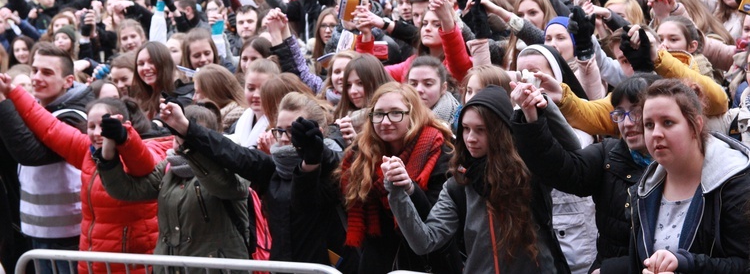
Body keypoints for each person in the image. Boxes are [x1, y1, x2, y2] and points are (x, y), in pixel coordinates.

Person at [383, 84, 569, 273]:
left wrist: (543, 105)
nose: (470, 138)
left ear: (500, 132)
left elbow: (573, 149)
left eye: (481, 130)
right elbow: (425, 241)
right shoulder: (458, 185)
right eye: (465, 128)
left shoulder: (529, 171)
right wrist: (396, 190)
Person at [158, 92, 348, 267]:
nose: (284, 138)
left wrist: (314, 157)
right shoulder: (272, 169)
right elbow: (230, 151)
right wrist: (184, 127)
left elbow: (304, 201)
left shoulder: (333, 169)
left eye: (293, 131)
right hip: (282, 267)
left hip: (326, 267)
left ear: (319, 132)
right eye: (279, 130)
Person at [0, 83, 170, 273]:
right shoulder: (86, 151)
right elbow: (49, 126)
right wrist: (12, 91)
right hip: (93, 261)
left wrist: (124, 138)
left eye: (103, 125)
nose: (97, 133)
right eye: (91, 126)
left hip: (132, 264)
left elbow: (144, 163)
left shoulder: (141, 150)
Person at [514, 75, 659, 273]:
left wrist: (611, 270)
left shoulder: (681, 165)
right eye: (619, 113)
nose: (627, 123)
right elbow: (561, 170)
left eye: (635, 112)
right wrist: (531, 118)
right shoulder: (609, 154)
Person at [98, 103, 249, 271]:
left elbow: (222, 186)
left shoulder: (232, 163)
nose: (178, 146)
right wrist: (109, 148)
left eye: (185, 138)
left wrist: (191, 149)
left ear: (210, 138)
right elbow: (126, 190)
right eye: (175, 138)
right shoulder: (169, 168)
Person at [629, 79, 750, 273]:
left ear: (696, 126)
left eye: (668, 122)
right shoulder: (644, 188)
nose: (656, 133)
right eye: (649, 125)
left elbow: (744, 265)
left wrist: (687, 264)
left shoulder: (735, 182)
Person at [340, 82, 457, 274]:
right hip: (377, 261)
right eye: (379, 114)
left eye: (396, 113)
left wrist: (409, 187)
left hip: (425, 263)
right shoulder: (360, 153)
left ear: (413, 115)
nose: (385, 121)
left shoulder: (438, 150)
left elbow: (437, 219)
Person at [0, 43, 94, 274]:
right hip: (38, 231)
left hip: (67, 236)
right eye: (34, 70)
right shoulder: (39, 108)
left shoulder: (75, 116)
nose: (37, 78)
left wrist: (3, 103)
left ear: (68, 81)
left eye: (47, 72)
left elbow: (30, 153)